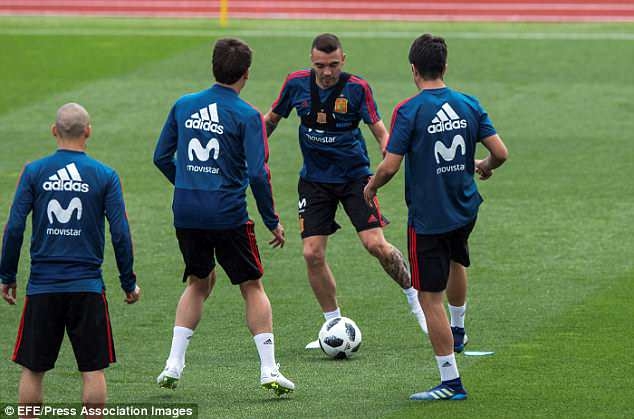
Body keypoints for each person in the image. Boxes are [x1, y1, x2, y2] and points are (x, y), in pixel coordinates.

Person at [364, 34, 508, 401]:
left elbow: (390, 166)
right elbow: (500, 153)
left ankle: (450, 382)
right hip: (465, 208)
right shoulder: (468, 103)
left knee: (430, 298)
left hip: (429, 217)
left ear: (413, 69)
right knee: (457, 259)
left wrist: (371, 187)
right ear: (444, 66)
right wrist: (484, 165)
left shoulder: (409, 110)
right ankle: (458, 330)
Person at [264, 33, 428, 349]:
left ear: (343, 60)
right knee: (312, 253)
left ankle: (415, 298)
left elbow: (379, 130)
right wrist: (250, 145)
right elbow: (270, 120)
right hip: (314, 181)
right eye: (320, 65)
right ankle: (333, 325)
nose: (327, 72)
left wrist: (388, 151)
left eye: (333, 65)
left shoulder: (357, 88)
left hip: (355, 178)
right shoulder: (295, 84)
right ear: (311, 61)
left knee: (376, 245)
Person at [153, 38, 294, 396]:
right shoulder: (248, 115)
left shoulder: (183, 105)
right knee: (251, 285)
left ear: (213, 66)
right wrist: (271, 219)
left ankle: (173, 364)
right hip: (227, 213)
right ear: (246, 73)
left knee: (198, 282)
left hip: (186, 212)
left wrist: (188, 184)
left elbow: (160, 157)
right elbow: (258, 173)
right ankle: (269, 369)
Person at [0, 103, 141, 412]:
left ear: (54, 131)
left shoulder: (34, 172)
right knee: (92, 370)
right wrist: (128, 282)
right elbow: (120, 231)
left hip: (43, 287)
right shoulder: (105, 175)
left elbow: (14, 227)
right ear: (88, 132)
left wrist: (7, 276)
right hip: (87, 287)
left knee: (33, 369)